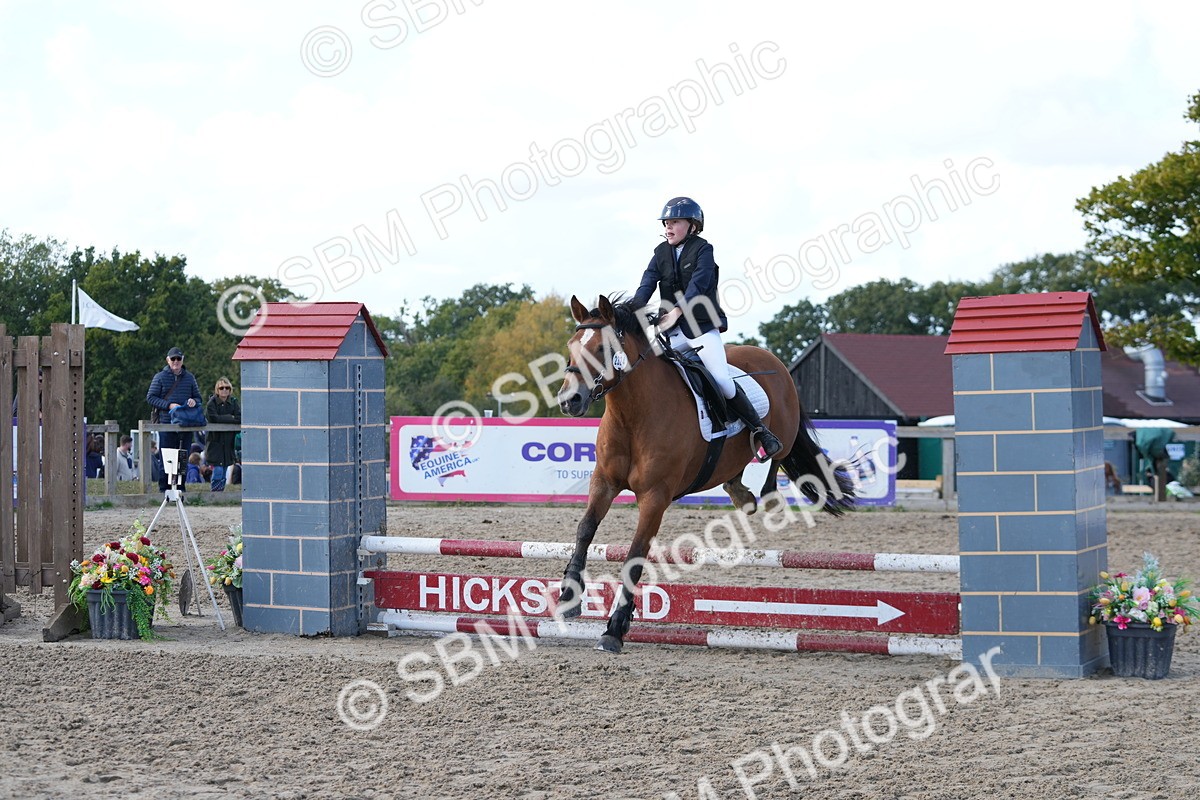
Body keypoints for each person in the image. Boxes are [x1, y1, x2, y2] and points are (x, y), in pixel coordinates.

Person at [631, 196, 781, 457]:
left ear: (692, 225)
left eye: (675, 222)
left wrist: (677, 311)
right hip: (671, 332)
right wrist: (631, 313)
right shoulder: (660, 253)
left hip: (701, 329)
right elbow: (646, 285)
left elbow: (698, 286)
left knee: (722, 379)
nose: (668, 227)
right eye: (666, 222)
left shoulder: (703, 250)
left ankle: (759, 430)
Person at [146, 346, 202, 492]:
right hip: (166, 422)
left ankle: (180, 487)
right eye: (173, 359)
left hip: (185, 422)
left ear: (182, 360)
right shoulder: (159, 377)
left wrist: (193, 401)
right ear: (168, 360)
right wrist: (169, 405)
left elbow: (198, 397)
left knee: (182, 456)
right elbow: (150, 398)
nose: (176, 361)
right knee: (166, 456)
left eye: (178, 358)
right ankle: (164, 488)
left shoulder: (189, 377)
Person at [204, 376, 241, 492]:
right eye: (221, 388)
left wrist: (224, 418)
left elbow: (239, 418)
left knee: (225, 469)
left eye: (227, 388)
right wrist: (231, 417)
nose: (224, 390)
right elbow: (213, 418)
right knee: (218, 469)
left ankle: (221, 492)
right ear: (217, 390)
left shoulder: (234, 402)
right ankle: (215, 493)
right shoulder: (211, 403)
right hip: (215, 442)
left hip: (228, 441)